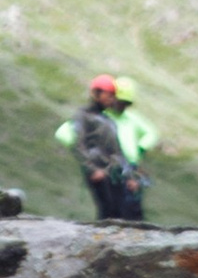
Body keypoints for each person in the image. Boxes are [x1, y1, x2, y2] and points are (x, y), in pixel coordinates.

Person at [56, 73, 157, 223]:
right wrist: (92, 169)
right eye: (109, 95)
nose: (112, 99)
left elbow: (116, 151)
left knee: (125, 211)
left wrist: (130, 177)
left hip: (115, 172)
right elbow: (79, 144)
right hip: (100, 172)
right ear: (96, 94)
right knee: (108, 211)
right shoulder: (83, 116)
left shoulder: (107, 121)